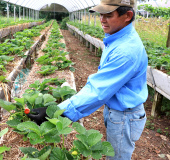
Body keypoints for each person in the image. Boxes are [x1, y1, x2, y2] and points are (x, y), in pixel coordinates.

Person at [27, 0, 148, 159]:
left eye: (109, 15)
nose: (102, 20)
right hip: (117, 110)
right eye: (101, 15)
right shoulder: (117, 37)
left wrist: (59, 112)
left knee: (117, 157)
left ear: (128, 15)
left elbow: (97, 91)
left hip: (124, 115)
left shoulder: (126, 51)